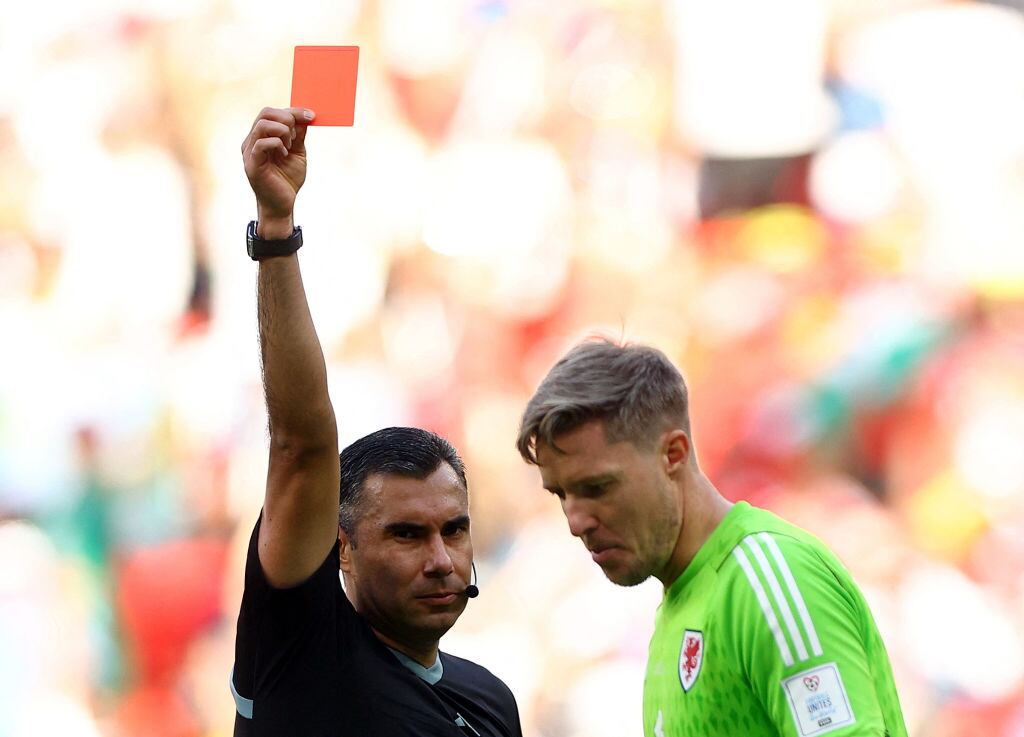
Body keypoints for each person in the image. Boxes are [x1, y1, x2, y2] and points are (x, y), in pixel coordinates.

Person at [231, 106, 522, 737]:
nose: (442, 559)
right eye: (407, 535)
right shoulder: (303, 654)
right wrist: (276, 229)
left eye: (455, 529)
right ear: (342, 550)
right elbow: (302, 445)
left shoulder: (492, 703)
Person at [516, 339, 907, 737]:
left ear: (673, 454)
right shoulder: (677, 611)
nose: (575, 521)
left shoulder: (769, 581)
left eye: (597, 487)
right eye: (562, 494)